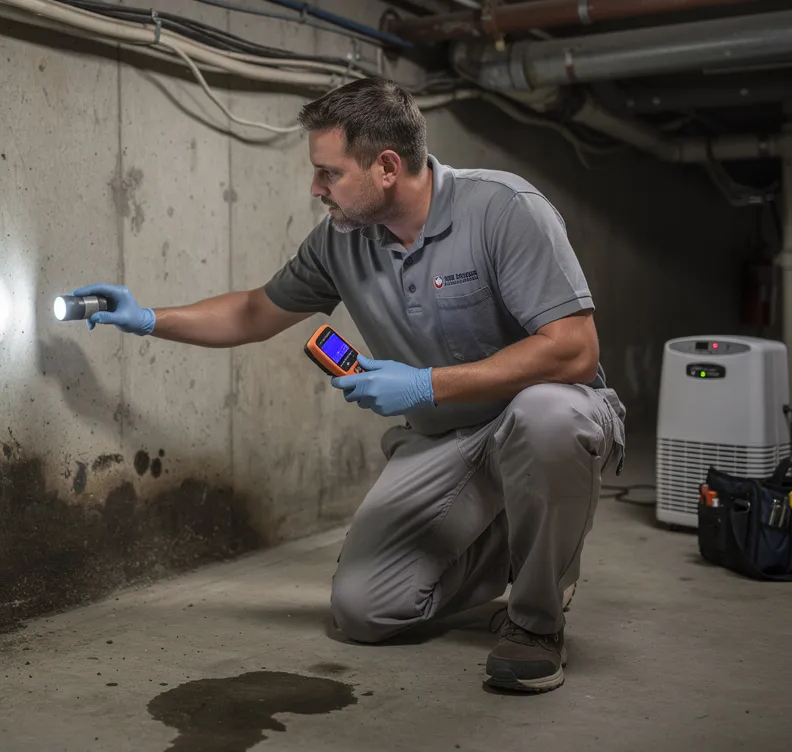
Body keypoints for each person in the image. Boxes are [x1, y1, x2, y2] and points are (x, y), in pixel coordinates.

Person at [70, 76, 626, 693]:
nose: (315, 188)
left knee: (548, 417)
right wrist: (148, 318)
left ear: (386, 167)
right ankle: (522, 540)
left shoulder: (503, 209)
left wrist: (425, 386)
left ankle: (536, 619)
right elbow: (255, 311)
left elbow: (575, 349)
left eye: (328, 173)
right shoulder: (341, 241)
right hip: (450, 443)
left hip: (541, 418)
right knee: (368, 611)